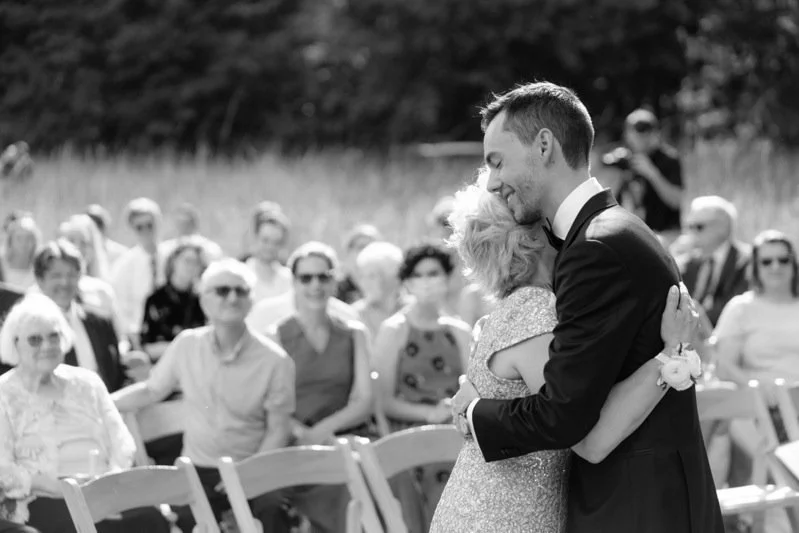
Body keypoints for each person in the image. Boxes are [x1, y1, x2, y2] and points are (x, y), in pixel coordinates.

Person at [451, 82, 722, 532]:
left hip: (636, 506)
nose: (494, 181)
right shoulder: (616, 230)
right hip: (649, 496)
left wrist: (476, 412)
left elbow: (565, 416)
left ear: (544, 145)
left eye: (497, 161)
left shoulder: (594, 248)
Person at [431, 171, 699, 532]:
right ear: (533, 235)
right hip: (505, 516)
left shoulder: (518, 308)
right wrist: (670, 355)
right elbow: (590, 439)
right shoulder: (534, 311)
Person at [112, 259, 296, 533]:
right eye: (222, 291)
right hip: (198, 469)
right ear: (204, 300)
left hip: (252, 465)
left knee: (273, 513)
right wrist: (99, 402)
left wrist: (248, 473)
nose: (232, 298)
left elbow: (279, 430)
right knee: (182, 519)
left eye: (241, 291)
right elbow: (152, 390)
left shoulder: (275, 360)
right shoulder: (188, 344)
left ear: (251, 300)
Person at [0, 294, 168, 533]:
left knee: (151, 519)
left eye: (53, 336)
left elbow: (121, 443)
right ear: (15, 344)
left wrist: (109, 484)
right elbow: (3, 469)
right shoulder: (3, 394)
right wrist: (63, 488)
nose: (46, 346)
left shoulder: (87, 382)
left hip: (103, 491)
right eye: (35, 340)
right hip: (43, 499)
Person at [268, 242, 372, 533]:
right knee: (344, 486)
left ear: (334, 280)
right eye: (306, 278)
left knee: (388, 476)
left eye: (323, 276)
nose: (315, 285)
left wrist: (325, 433)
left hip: (350, 437)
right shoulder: (275, 336)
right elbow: (274, 407)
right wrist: (309, 436)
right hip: (298, 443)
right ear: (294, 283)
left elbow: (363, 399)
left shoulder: (354, 334)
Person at [374, 243, 471, 532]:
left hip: (455, 429)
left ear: (447, 278)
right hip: (408, 434)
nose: (427, 281)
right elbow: (383, 401)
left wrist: (452, 409)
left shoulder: (460, 331)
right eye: (419, 275)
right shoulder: (395, 330)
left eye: (434, 273)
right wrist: (428, 413)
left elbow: (472, 385)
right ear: (407, 282)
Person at [33, 240, 141, 391]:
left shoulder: (101, 323)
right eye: (56, 276)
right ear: (40, 280)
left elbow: (117, 377)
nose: (65, 282)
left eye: (71, 275)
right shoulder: (28, 331)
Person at [604, 108, 684, 246]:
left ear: (655, 133)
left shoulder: (669, 159)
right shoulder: (627, 159)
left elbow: (675, 201)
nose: (639, 139)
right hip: (635, 233)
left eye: (644, 133)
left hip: (666, 234)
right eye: (634, 133)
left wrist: (651, 173)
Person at [680, 196, 750, 330]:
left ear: (722, 228)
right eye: (689, 226)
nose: (691, 233)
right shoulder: (688, 263)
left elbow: (733, 309)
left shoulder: (746, 261)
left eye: (698, 227)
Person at [109, 198, 166, 347]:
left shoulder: (172, 258)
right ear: (132, 229)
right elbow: (119, 308)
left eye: (150, 225)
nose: (146, 231)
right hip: (139, 338)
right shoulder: (123, 266)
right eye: (139, 227)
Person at [141, 241, 207, 361]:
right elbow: (147, 346)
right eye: (187, 261)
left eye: (196, 263)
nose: (191, 266)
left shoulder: (202, 301)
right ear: (174, 262)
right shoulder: (156, 299)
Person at [350, 241, 409, 343]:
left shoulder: (412, 309)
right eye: (362, 276)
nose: (364, 283)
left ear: (393, 278)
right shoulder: (353, 314)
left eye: (371, 276)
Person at [244, 207, 293, 303]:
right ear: (255, 237)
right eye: (265, 240)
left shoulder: (289, 279)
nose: (270, 247)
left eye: (276, 242)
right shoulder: (242, 275)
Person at [159, 203, 224, 264]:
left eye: (187, 223)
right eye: (181, 223)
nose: (183, 227)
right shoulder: (165, 249)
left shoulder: (210, 249)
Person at [336, 224, 382, 304]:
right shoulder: (337, 288)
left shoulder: (385, 286)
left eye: (372, 247)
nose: (367, 251)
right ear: (349, 251)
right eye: (361, 247)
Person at [0, 213, 40, 291]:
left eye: (29, 238)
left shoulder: (41, 267)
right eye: (19, 238)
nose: (24, 243)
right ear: (10, 241)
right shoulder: (1, 264)